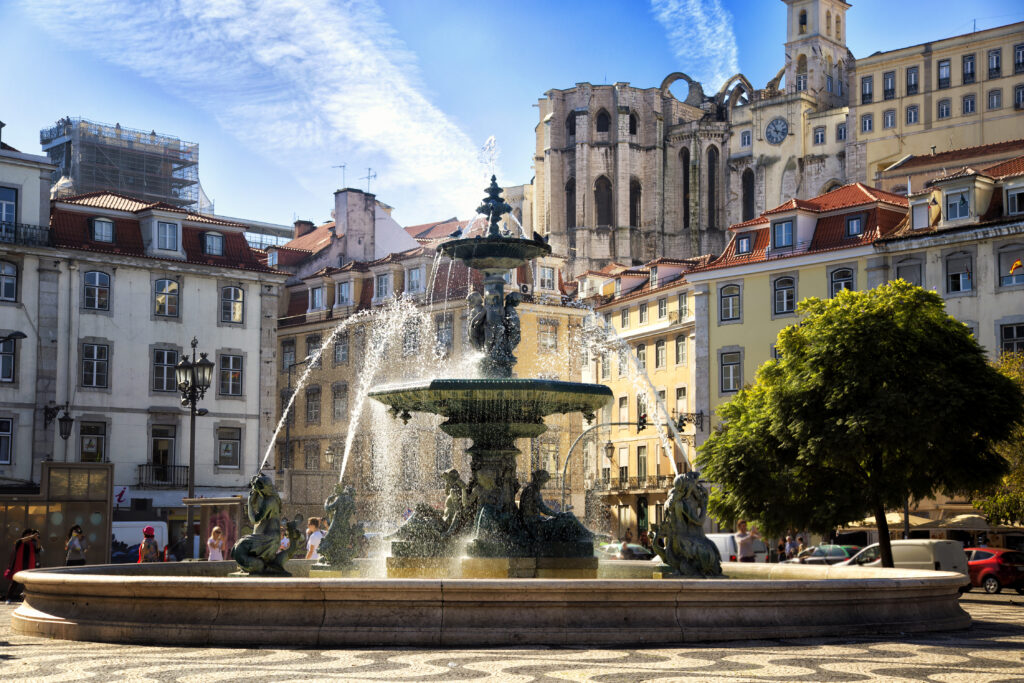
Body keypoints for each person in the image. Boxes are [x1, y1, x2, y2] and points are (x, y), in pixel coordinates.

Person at [5, 529, 42, 602]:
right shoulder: (19, 542)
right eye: (28, 534)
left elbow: (38, 549)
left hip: (28, 565)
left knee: (28, 584)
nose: (29, 536)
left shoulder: (32, 544)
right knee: (15, 583)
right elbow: (21, 541)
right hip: (18, 565)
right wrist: (32, 536)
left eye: (30, 534)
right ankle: (8, 598)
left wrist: (38, 540)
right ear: (24, 535)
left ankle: (27, 599)